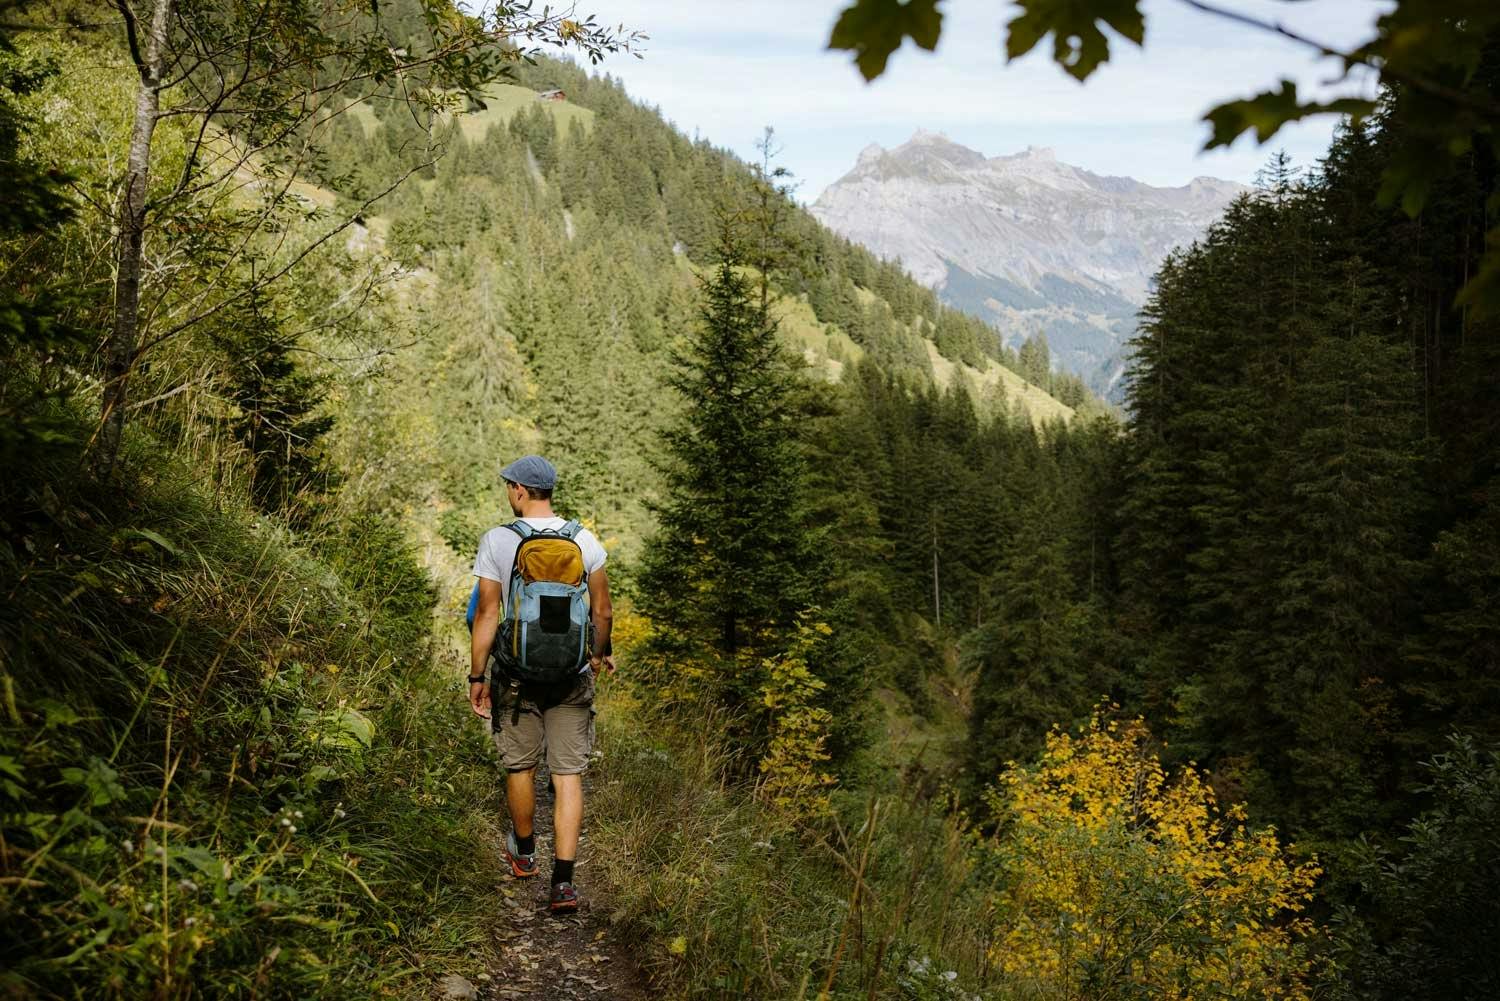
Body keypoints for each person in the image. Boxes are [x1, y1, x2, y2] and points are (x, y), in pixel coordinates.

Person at [468, 455, 615, 913]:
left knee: (521, 767)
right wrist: (596, 653)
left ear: (518, 490)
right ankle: (565, 885)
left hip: (516, 674)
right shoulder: (585, 540)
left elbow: (488, 614)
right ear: (549, 490)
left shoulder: (498, 540)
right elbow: (603, 612)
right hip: (572, 676)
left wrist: (477, 675)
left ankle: (526, 854)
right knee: (568, 776)